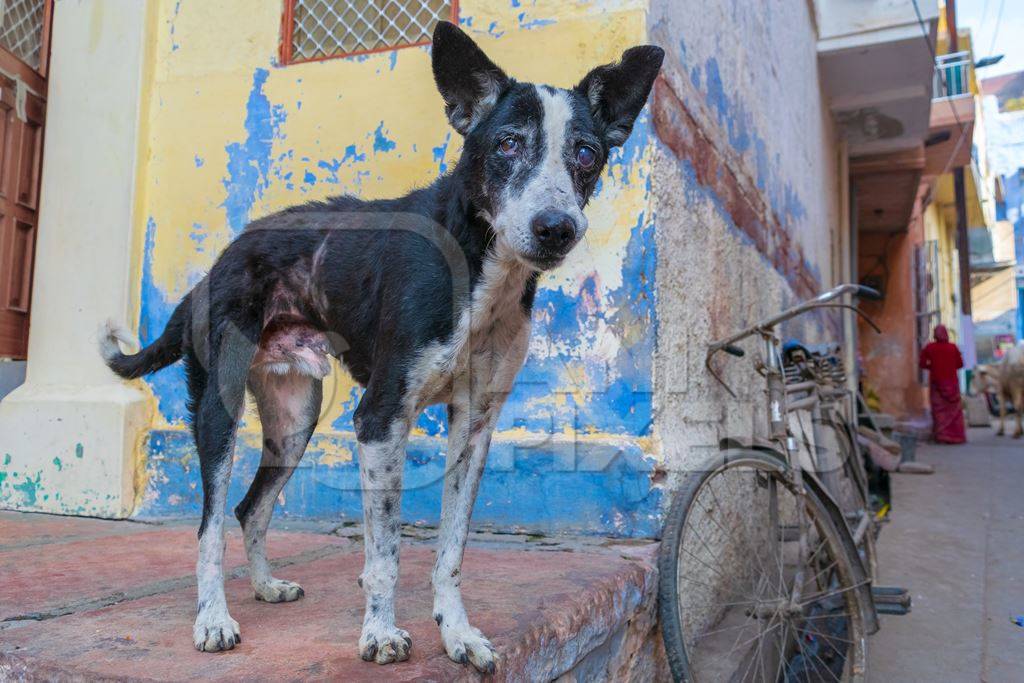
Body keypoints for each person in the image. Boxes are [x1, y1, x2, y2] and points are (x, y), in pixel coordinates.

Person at [919, 325, 966, 444]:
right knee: (954, 411)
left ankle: (942, 436)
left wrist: (933, 367)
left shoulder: (930, 348)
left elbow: (922, 363)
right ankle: (957, 437)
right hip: (952, 384)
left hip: (936, 384)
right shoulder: (953, 347)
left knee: (939, 411)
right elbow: (960, 364)